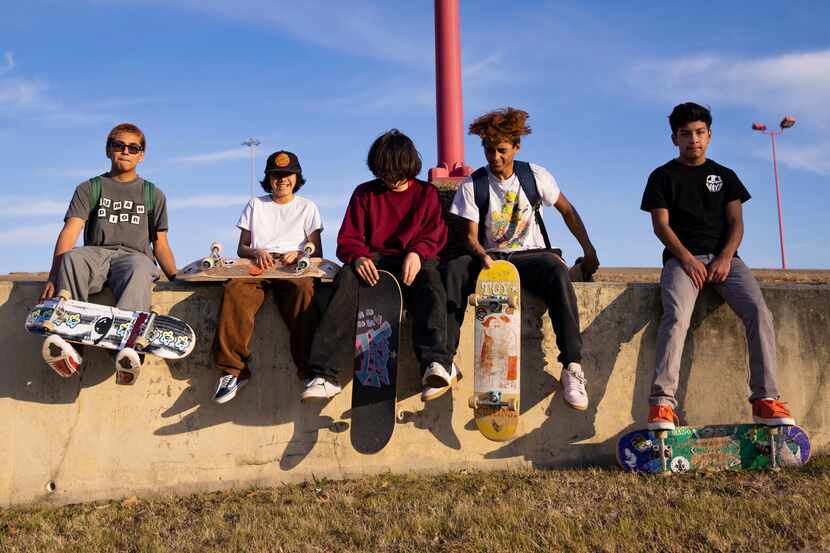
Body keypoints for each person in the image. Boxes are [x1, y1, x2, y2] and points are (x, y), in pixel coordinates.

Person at [641, 102, 794, 430]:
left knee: (759, 311)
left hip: (727, 260)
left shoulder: (725, 176)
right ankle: (662, 404)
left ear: (709, 136)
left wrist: (725, 257)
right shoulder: (662, 176)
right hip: (683, 261)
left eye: (699, 133)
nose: (692, 139)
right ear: (674, 139)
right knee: (677, 316)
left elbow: (736, 223)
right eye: (685, 134)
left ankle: (766, 399)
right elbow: (661, 226)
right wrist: (686, 258)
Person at [443, 107, 599, 410]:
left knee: (556, 269)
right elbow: (470, 236)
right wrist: (480, 255)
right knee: (454, 269)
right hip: (491, 261)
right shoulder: (472, 185)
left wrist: (589, 248)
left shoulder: (534, 176)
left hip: (531, 258)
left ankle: (572, 367)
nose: (495, 157)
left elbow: (567, 211)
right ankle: (444, 360)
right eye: (489, 150)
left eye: (502, 150)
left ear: (516, 147)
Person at [301, 129, 454, 402]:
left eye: (394, 174)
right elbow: (347, 238)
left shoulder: (426, 193)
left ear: (407, 167)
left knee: (431, 280)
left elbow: (435, 234)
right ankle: (324, 375)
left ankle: (436, 364)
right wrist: (358, 257)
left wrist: (418, 252)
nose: (389, 180)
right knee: (346, 278)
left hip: (414, 259)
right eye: (382, 174)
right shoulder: (364, 193)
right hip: (375, 260)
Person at [40, 122, 177, 384]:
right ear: (108, 150)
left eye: (133, 148)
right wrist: (53, 275)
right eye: (119, 145)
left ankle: (126, 349)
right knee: (73, 257)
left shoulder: (153, 193)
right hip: (97, 254)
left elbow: (160, 242)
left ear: (141, 155)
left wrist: (176, 277)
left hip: (133, 257)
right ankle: (71, 348)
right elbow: (70, 232)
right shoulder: (90, 188)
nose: (125, 151)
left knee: (139, 267)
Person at [211, 150, 323, 403]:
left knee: (304, 292)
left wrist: (298, 252)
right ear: (268, 178)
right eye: (276, 175)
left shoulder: (307, 207)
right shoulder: (255, 204)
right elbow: (242, 247)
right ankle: (233, 372)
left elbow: (316, 248)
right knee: (235, 291)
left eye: (287, 175)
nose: (282, 180)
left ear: (296, 177)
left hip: (292, 265)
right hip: (259, 263)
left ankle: (309, 371)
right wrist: (257, 251)